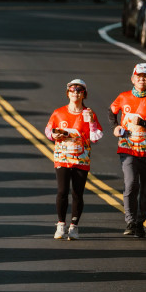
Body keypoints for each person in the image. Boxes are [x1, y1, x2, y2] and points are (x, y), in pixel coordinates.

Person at [108, 63, 146, 238]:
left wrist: (143, 123)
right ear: (133, 79)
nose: (142, 79)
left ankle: (140, 222)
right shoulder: (124, 97)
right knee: (131, 183)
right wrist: (115, 126)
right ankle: (130, 221)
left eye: (145, 77)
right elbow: (111, 111)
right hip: (128, 149)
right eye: (139, 76)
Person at [44, 79, 103, 240]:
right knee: (62, 191)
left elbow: (96, 137)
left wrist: (91, 121)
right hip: (62, 158)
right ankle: (61, 224)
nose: (75, 93)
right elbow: (48, 131)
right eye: (72, 90)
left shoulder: (89, 114)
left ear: (84, 94)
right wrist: (54, 135)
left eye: (79, 91)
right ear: (68, 93)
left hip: (81, 159)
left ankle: (74, 227)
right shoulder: (59, 112)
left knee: (77, 193)